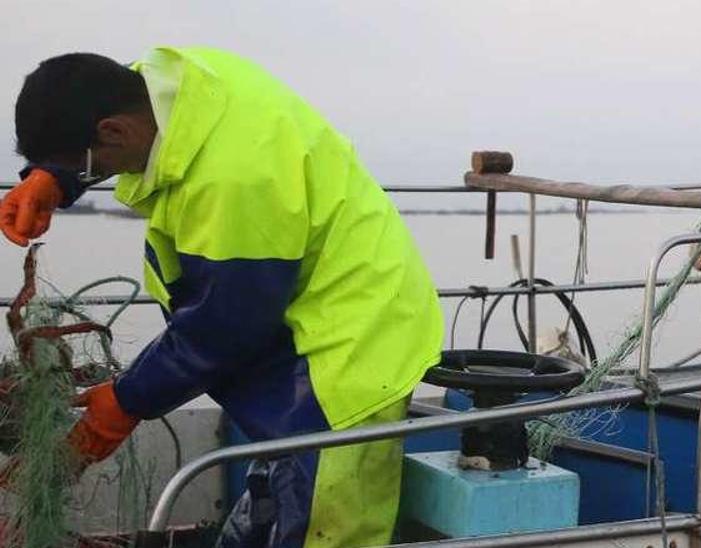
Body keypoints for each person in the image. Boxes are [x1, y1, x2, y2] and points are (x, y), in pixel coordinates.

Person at [1, 48, 444, 546]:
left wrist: (124, 404)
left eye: (88, 168)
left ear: (114, 132)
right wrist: (55, 177)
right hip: (301, 303)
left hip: (352, 346)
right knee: (277, 493)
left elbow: (224, 326)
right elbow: (101, 94)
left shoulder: (234, 176)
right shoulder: (178, 82)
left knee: (328, 527)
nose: (95, 177)